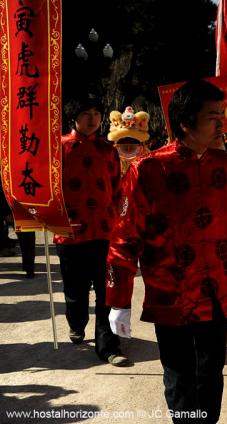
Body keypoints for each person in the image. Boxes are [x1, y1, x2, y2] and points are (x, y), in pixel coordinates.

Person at [106, 79, 227, 423]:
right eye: (212, 116)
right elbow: (125, 239)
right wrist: (118, 301)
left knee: (211, 377)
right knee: (180, 381)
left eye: (220, 115)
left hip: (215, 295)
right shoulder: (148, 170)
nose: (221, 123)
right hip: (171, 299)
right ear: (185, 123)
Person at [55, 94, 126, 366]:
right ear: (74, 116)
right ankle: (76, 322)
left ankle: (108, 345)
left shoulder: (109, 150)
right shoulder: (57, 148)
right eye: (86, 112)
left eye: (97, 113)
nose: (92, 118)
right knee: (75, 289)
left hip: (105, 231)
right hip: (70, 232)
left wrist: (121, 222)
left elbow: (117, 189)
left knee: (106, 290)